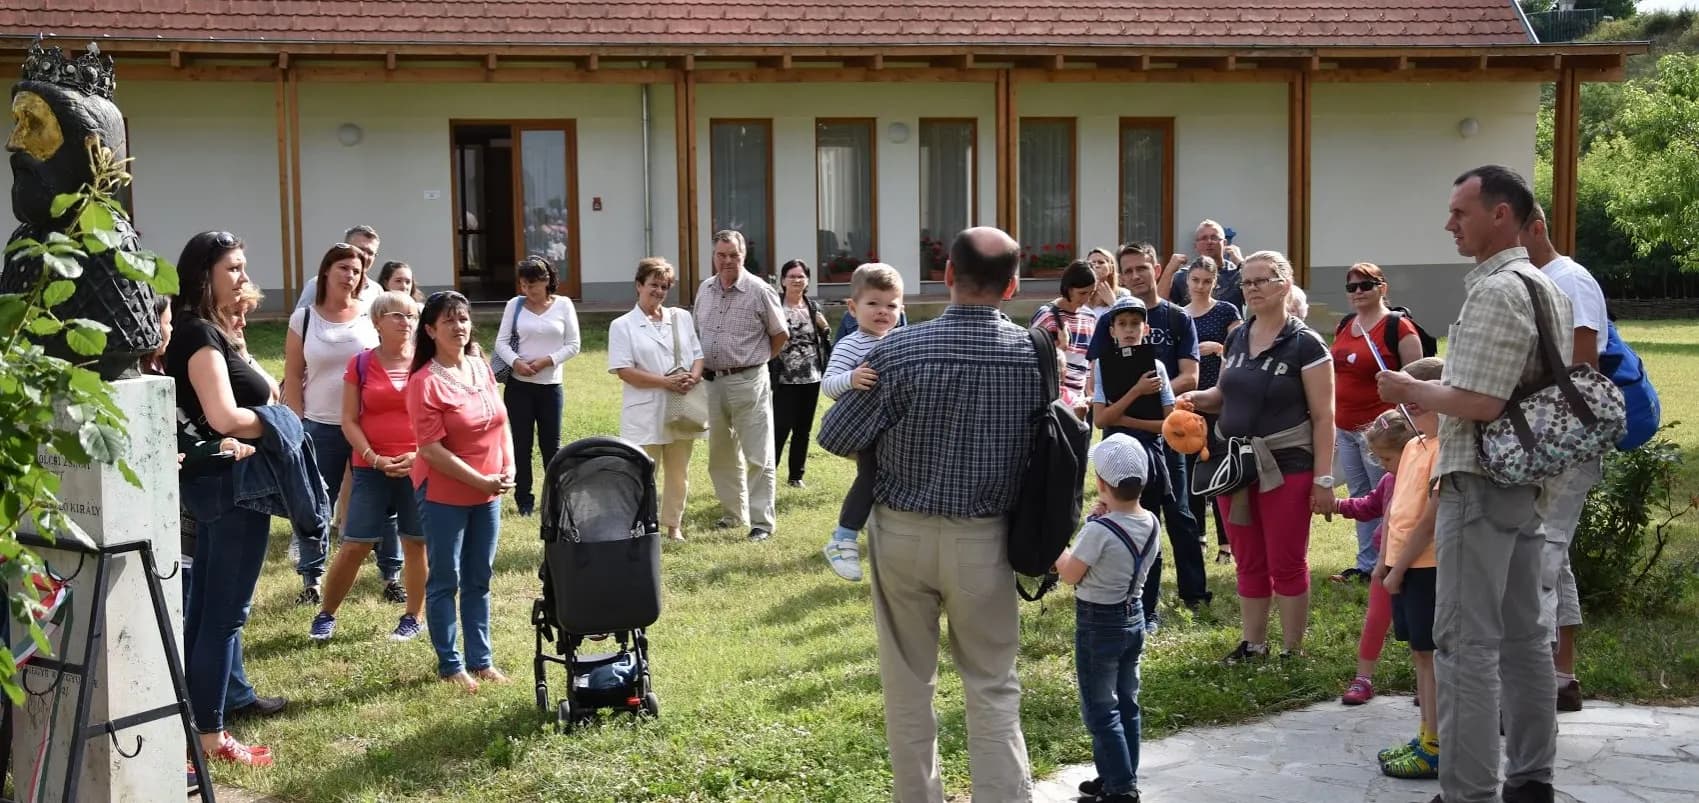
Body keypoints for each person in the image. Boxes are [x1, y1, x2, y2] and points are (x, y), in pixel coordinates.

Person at [818, 227, 1041, 803]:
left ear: (946, 276)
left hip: (902, 533)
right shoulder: (1034, 354)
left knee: (908, 685)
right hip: (986, 538)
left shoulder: (899, 350)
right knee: (992, 683)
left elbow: (836, 435)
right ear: (1013, 286)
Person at [1376, 165, 1573, 803]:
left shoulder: (1496, 290)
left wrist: (1407, 387)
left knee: (1465, 644)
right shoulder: (1546, 286)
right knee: (1526, 639)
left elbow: (1481, 401)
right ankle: (1532, 781)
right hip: (1525, 483)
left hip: (1480, 482)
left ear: (1501, 215)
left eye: (1461, 212)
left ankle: (1467, 791)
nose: (1449, 224)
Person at [1178, 250, 1335, 663]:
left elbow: (1324, 417)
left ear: (1285, 284)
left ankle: (1292, 651)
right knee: (1248, 560)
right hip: (1235, 467)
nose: (1251, 289)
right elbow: (1224, 394)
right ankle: (1253, 645)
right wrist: (1197, 399)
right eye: (1246, 282)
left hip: (1287, 467)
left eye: (1261, 280)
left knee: (1286, 561)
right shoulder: (1237, 337)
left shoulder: (1305, 344)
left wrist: (1324, 479)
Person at [168, 231, 289, 766]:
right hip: (232, 487)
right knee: (222, 617)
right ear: (204, 276)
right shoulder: (197, 334)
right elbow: (222, 417)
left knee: (205, 612)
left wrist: (237, 339)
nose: (243, 277)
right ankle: (211, 738)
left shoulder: (211, 331)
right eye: (232, 269)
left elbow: (258, 389)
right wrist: (277, 421)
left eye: (243, 267)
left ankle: (194, 731)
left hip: (223, 484)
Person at [407, 290, 517, 693]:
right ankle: (450, 664)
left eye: (464, 318)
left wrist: (508, 466)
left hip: (489, 491)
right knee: (445, 578)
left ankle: (481, 660)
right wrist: (481, 480)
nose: (459, 326)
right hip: (444, 493)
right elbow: (431, 450)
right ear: (430, 330)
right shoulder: (423, 382)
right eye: (449, 320)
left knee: (479, 577)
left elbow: (500, 422)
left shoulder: (480, 365)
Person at [1522, 203, 1607, 712]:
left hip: (1562, 444)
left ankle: (1531, 692)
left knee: (1541, 560)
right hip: (1543, 444)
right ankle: (1561, 678)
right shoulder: (1536, 281)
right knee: (1555, 559)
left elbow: (1583, 368)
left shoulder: (1568, 280)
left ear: (1536, 229)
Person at [308, 291, 429, 643]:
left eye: (411, 316)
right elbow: (348, 419)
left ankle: (413, 617)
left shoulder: (426, 364)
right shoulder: (360, 363)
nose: (406, 322)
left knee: (415, 543)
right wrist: (373, 457)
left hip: (417, 466)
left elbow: (438, 418)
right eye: (397, 315)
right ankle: (326, 614)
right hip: (369, 466)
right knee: (355, 544)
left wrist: (418, 455)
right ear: (377, 322)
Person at [1345, 361, 1445, 779]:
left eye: (1414, 401)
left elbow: (1430, 518)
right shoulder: (1415, 447)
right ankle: (1426, 735)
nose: (1408, 410)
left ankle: (1436, 745)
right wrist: (1385, 561)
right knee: (1420, 654)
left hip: (1426, 566)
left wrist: (1399, 568)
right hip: (1402, 566)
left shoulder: (1442, 448)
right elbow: (1395, 511)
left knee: (1431, 656)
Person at [1054, 434, 1162, 803]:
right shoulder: (1151, 522)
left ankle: (1121, 789)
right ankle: (1117, 775)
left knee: (1100, 711)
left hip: (1098, 625)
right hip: (1134, 617)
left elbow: (1071, 574)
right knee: (1126, 705)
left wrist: (1057, 548)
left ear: (1101, 483)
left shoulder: (1098, 530)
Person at [284, 242, 387, 606]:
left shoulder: (370, 316)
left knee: (378, 498)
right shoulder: (304, 319)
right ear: (326, 271)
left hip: (366, 425)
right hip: (319, 426)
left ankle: (390, 575)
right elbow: (293, 376)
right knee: (315, 504)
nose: (350, 276)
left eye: (357, 271)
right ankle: (311, 580)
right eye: (344, 267)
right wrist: (296, 424)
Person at [1115, 242, 1209, 625]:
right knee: (1142, 518)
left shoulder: (1176, 318)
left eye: (1142, 268)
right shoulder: (1115, 318)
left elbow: (1191, 376)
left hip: (1170, 431)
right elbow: (1101, 375)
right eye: (1128, 270)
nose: (1136, 275)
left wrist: (1155, 391)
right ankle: (1144, 602)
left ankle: (1195, 593)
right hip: (1126, 435)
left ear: (1156, 269)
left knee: (1180, 513)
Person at [1330, 262, 1425, 584]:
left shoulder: (1398, 328)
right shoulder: (1346, 324)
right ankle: (1366, 565)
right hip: (1345, 427)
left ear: (1382, 287)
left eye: (1365, 285)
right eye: (1351, 287)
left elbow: (1416, 380)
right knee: (1361, 494)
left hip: (1383, 432)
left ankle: (1391, 559)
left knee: (1384, 496)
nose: (1358, 292)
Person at [693, 230, 787, 541]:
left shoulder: (759, 290)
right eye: (721, 255)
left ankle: (761, 523)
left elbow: (780, 334)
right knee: (721, 454)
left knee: (757, 454)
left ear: (743, 255)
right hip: (712, 382)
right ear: (713, 256)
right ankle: (733, 514)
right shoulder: (705, 289)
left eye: (734, 255)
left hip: (748, 381)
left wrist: (756, 361)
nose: (728, 261)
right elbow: (696, 331)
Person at [608, 257, 705, 541]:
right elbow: (624, 371)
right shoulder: (622, 325)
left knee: (679, 472)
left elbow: (697, 355)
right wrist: (665, 382)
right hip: (645, 411)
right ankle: (641, 526)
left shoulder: (681, 318)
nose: (659, 291)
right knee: (642, 472)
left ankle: (673, 525)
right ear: (639, 285)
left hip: (681, 407)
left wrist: (693, 378)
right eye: (654, 284)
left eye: (664, 286)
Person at [819, 263, 905, 581]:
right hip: (865, 430)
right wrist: (852, 378)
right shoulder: (851, 344)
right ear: (853, 308)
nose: (883, 311)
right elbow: (828, 385)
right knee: (870, 477)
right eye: (873, 303)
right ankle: (843, 538)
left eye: (891, 305)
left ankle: (888, 537)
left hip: (896, 429)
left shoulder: (900, 340)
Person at [492, 255, 582, 516]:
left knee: (551, 446)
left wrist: (547, 361)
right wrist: (516, 362)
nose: (527, 290)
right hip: (519, 386)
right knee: (521, 444)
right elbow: (501, 342)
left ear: (546, 281)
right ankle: (524, 500)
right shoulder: (515, 305)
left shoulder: (563, 305)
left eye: (531, 285)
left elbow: (573, 345)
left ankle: (555, 498)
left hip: (550, 385)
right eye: (523, 285)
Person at [1181, 258, 1242, 564]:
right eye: (1196, 280)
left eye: (1207, 281)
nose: (1201, 286)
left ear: (1215, 282)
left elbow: (1241, 349)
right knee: (1191, 470)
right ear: (1187, 281)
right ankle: (1198, 538)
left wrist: (1217, 348)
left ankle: (1226, 542)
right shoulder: (1180, 315)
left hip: (1220, 399)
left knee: (1220, 470)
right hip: (1189, 401)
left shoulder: (1226, 311)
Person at [770, 259, 832, 489]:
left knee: (803, 428)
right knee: (780, 427)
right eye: (792, 276)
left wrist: (824, 327)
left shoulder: (812, 307)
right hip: (784, 377)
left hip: (812, 376)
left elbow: (824, 335)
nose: (797, 280)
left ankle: (796, 475)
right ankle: (769, 474)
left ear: (807, 281)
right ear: (783, 280)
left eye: (801, 276)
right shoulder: (775, 305)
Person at [1031, 260, 1100, 419]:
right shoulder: (1047, 316)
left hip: (1080, 401)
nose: (1086, 299)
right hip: (1053, 400)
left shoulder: (1090, 317)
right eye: (1082, 293)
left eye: (1091, 293)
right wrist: (1061, 349)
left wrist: (1089, 392)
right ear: (1068, 289)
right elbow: (1033, 358)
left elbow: (1090, 359)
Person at [1159, 219, 1244, 310]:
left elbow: (1255, 291)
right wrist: (1169, 270)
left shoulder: (1237, 273)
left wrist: (1241, 263)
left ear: (1225, 243)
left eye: (1214, 237)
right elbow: (1159, 306)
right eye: (1204, 238)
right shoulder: (1183, 275)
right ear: (1195, 246)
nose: (1209, 242)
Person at [294, 225, 382, 310]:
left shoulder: (376, 290)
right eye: (360, 250)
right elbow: (302, 318)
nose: (365, 256)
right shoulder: (318, 285)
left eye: (370, 253)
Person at [1084, 246, 1132, 319]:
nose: (1096, 265)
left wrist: (1113, 303)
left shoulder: (1123, 294)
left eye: (1101, 262)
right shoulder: (1081, 293)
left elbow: (1128, 320)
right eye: (1092, 263)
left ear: (1111, 268)